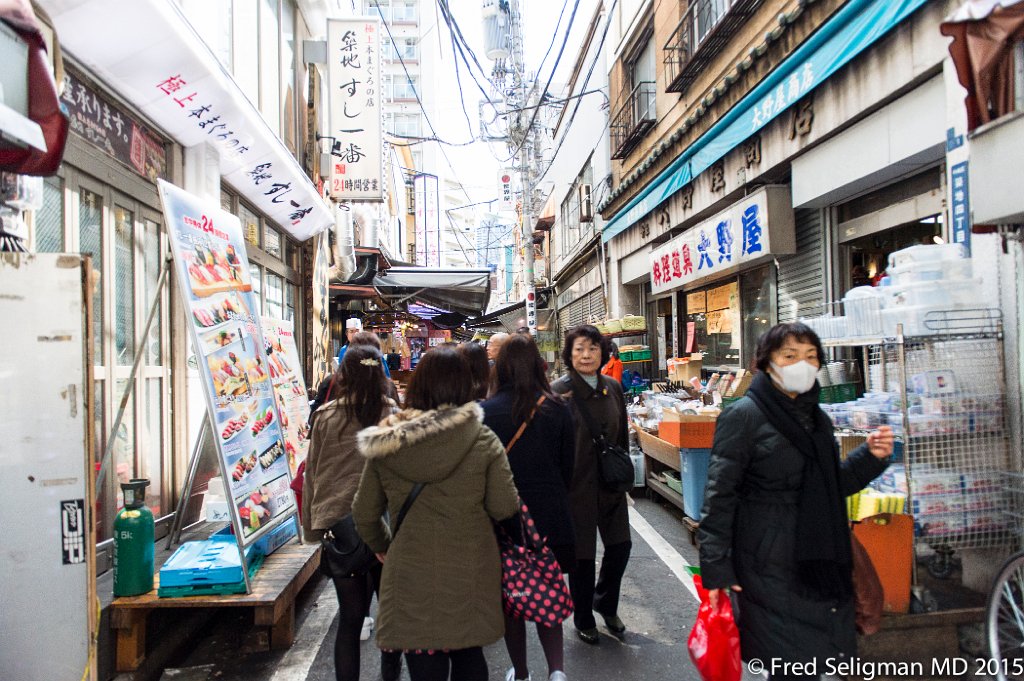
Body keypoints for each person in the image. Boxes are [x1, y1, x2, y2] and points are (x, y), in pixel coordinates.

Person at [697, 322, 894, 677]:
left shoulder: (817, 419)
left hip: (818, 556)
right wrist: (716, 570)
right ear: (766, 362)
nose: (801, 364)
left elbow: (830, 486)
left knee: (811, 663)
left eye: (810, 356)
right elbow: (719, 497)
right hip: (767, 561)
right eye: (789, 356)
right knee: (791, 665)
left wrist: (870, 457)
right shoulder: (743, 416)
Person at [352, 345, 520, 681]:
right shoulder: (482, 440)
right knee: (470, 655)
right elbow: (505, 506)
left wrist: (384, 545)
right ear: (465, 386)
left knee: (423, 661)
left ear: (417, 386)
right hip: (471, 569)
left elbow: (364, 512)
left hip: (410, 570)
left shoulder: (388, 441)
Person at [302, 345, 401, 681]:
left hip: (341, 531)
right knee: (390, 621)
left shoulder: (325, 417)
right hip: (386, 531)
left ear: (343, 374)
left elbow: (312, 477)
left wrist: (311, 532)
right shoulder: (391, 413)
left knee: (350, 621)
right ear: (379, 372)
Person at [481, 335, 575, 681]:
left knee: (513, 597)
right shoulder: (558, 408)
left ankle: (520, 672)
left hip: (504, 518)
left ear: (500, 369)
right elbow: (569, 468)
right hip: (551, 515)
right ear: (540, 365)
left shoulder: (485, 412)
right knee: (547, 590)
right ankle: (557, 671)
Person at [551, 325, 631, 645]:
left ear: (603, 352)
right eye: (580, 349)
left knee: (620, 547)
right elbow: (550, 443)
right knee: (582, 557)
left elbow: (622, 436)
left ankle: (606, 603)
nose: (587, 355)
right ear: (569, 355)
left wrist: (625, 479)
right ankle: (583, 617)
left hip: (610, 485)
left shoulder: (613, 387)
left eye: (593, 349)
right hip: (575, 487)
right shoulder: (558, 391)